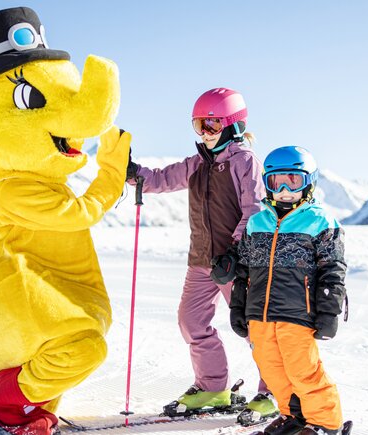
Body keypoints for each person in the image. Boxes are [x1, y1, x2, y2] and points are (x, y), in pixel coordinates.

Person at [127, 88, 278, 420]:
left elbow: (254, 212)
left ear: (232, 126)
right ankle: (213, 387)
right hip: (202, 262)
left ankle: (274, 391)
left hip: (238, 263)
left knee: (257, 327)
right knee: (191, 321)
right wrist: (132, 171)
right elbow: (159, 179)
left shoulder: (244, 161)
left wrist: (236, 253)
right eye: (199, 126)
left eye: (211, 125)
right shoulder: (196, 164)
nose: (205, 134)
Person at [229, 145, 348, 435]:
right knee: (272, 370)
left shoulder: (320, 222)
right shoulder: (257, 223)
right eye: (275, 181)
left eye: (292, 180)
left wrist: (329, 311)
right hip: (259, 314)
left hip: (298, 312)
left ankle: (324, 423)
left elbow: (333, 270)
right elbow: (244, 269)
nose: (283, 189)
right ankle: (293, 415)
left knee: (303, 371)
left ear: (309, 182)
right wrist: (238, 306)